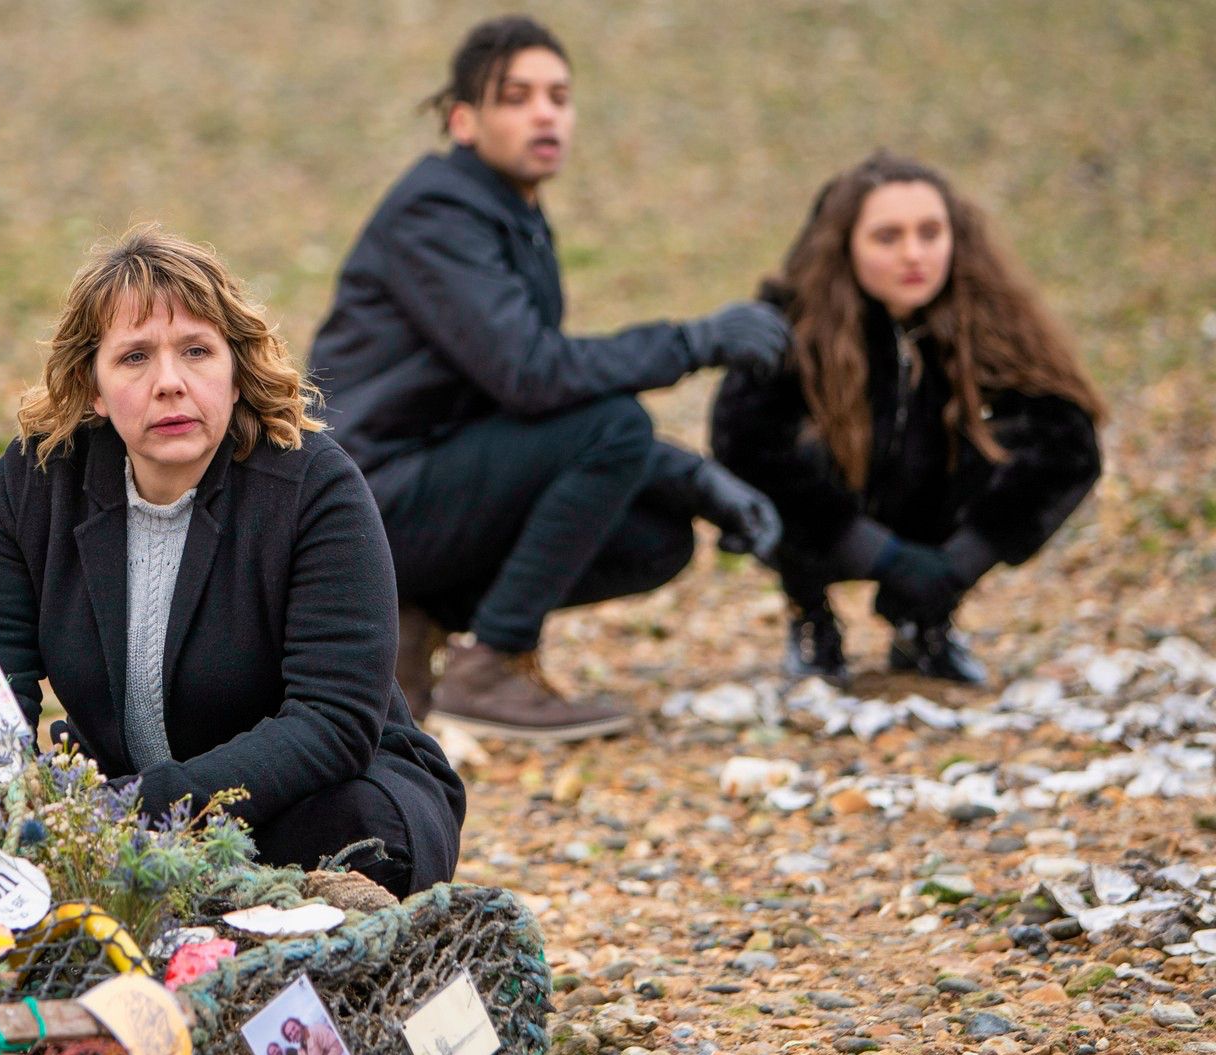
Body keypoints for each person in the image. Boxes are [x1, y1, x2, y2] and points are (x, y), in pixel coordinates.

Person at [309, 15, 787, 741]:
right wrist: (698, 340)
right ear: (463, 120)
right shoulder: (437, 213)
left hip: (425, 486)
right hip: (360, 503)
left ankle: (417, 620)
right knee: (615, 424)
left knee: (656, 535)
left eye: (559, 96)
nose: (545, 112)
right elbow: (533, 375)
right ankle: (490, 666)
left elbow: (528, 400)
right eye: (518, 96)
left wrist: (694, 481)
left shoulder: (509, 213)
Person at [0, 226, 465, 897]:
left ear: (235, 368)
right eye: (134, 357)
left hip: (319, 800)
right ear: (94, 388)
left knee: (356, 836)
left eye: (196, 351)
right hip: (119, 811)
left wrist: (143, 810)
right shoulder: (36, 483)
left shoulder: (315, 487)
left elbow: (333, 720)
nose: (170, 383)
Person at [711, 152, 1105, 686]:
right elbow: (743, 446)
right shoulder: (789, 328)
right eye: (888, 237)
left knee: (1010, 437)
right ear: (846, 244)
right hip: (833, 521)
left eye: (930, 233)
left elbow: (1069, 442)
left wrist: (961, 562)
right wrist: (883, 557)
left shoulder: (985, 319)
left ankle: (926, 620)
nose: (914, 254)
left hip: (932, 519)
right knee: (781, 461)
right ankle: (811, 616)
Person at [281, 1016, 351, 1055]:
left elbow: (337, 1046)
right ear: (289, 1039)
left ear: (299, 1024)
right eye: (289, 1034)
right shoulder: (300, 1052)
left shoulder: (316, 1030)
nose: (293, 1033)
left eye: (293, 1028)